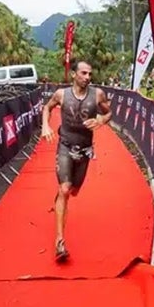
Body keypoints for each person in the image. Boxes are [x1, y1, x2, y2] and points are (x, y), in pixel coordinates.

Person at [41, 60, 112, 262]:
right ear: (74, 74)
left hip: (85, 150)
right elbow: (47, 108)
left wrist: (100, 120)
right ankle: (60, 241)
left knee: (74, 191)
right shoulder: (61, 94)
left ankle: (62, 196)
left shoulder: (97, 94)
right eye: (83, 73)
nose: (87, 77)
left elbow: (108, 112)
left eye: (90, 74)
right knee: (65, 188)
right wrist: (45, 126)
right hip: (64, 146)